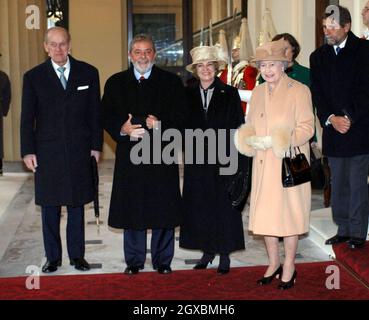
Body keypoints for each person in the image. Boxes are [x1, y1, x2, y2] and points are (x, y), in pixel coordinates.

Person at [102, 34, 186, 275]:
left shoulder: (171, 82)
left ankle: (162, 261)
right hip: (130, 156)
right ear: (130, 55)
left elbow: (182, 118)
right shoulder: (116, 82)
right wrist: (122, 128)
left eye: (147, 51)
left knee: (163, 208)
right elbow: (105, 115)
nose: (143, 56)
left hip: (162, 155)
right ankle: (134, 261)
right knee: (132, 207)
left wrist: (160, 125)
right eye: (137, 52)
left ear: (155, 55)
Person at [21, 27, 103, 273]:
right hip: (47, 152)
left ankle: (77, 256)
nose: (58, 49)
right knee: (50, 207)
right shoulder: (33, 77)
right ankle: (53, 258)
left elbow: (95, 115)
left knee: (77, 205)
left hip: (80, 151)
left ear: (70, 44)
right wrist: (27, 150)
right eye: (53, 44)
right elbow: (27, 118)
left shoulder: (88, 73)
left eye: (63, 44)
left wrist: (96, 147)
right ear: (45, 47)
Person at [235, 38, 314, 289]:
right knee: (266, 217)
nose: (267, 70)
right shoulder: (257, 92)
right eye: (263, 65)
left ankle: (289, 265)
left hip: (287, 163)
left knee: (289, 216)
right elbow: (250, 123)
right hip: (262, 163)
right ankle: (273, 262)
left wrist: (278, 139)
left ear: (283, 65)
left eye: (273, 64)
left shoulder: (299, 90)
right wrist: (250, 138)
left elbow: (307, 128)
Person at [179, 45, 247, 275]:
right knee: (201, 205)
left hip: (225, 157)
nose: (206, 69)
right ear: (195, 70)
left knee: (225, 206)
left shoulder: (229, 93)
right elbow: (181, 126)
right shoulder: (186, 94)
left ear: (216, 68)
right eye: (201, 66)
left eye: (209, 65)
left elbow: (238, 125)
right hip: (197, 160)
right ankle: (207, 251)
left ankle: (225, 254)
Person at [310, 6, 369, 249]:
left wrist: (348, 117)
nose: (327, 31)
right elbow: (318, 95)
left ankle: (357, 232)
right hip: (333, 129)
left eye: (332, 26)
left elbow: (366, 91)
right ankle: (342, 229)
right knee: (338, 182)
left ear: (346, 27)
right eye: (325, 26)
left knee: (356, 183)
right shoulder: (318, 56)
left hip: (358, 129)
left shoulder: (365, 51)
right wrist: (330, 118)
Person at [218, 18, 258, 115]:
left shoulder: (248, 70)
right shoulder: (230, 70)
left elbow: (249, 92)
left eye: (236, 50)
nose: (233, 52)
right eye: (232, 50)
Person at [0, 69, 11, 175]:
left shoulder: (2, 76)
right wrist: (4, 110)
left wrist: (3, 110)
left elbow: (7, 95)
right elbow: (7, 96)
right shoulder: (2, 76)